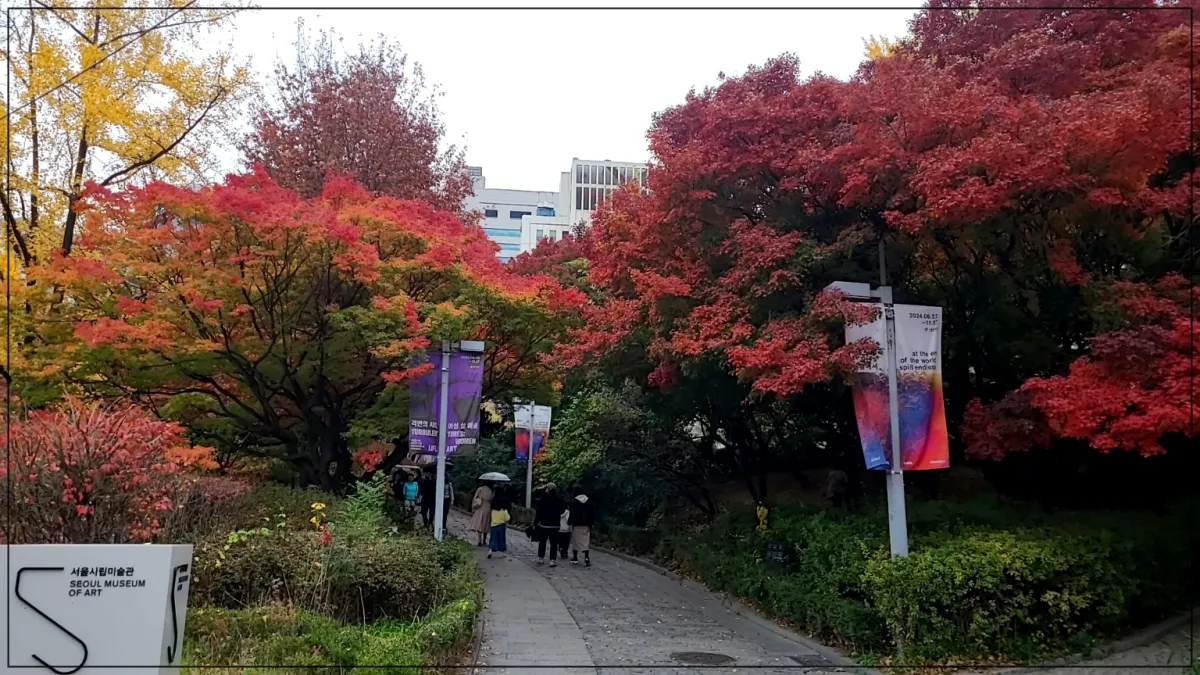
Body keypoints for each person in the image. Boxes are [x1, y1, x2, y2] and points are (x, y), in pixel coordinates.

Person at [532, 483, 564, 566]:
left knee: (542, 541)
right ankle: (552, 560)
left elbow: (538, 510)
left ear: (547, 489)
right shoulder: (558, 500)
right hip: (555, 525)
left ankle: (541, 557)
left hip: (544, 524)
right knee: (554, 543)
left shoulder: (543, 499)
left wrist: (536, 521)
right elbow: (562, 511)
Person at [567, 486, 595, 567]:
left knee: (576, 542)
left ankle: (575, 557)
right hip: (586, 525)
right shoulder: (589, 502)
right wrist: (592, 523)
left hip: (576, 525)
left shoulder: (574, 502)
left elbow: (571, 513)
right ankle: (586, 557)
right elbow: (592, 513)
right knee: (585, 542)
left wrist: (569, 522)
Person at [469, 480, 494, 547]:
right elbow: (491, 500)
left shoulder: (480, 489)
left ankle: (479, 540)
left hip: (480, 507)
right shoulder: (491, 491)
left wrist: (473, 507)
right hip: (488, 508)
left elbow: (475, 497)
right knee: (486, 524)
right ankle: (484, 540)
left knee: (480, 524)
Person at [488, 492, 511, 559]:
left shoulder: (493, 510)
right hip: (501, 526)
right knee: (501, 539)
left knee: (493, 539)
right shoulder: (504, 510)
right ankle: (503, 553)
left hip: (493, 525)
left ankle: (490, 551)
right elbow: (507, 518)